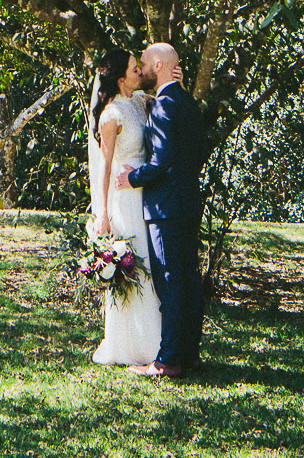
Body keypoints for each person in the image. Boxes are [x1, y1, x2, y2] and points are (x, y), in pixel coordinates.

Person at [116, 41, 208, 378]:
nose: (141, 68)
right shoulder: (185, 101)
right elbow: (197, 153)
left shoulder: (165, 107)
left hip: (166, 208)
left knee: (170, 282)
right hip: (187, 203)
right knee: (188, 282)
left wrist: (132, 178)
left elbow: (161, 160)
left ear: (157, 64)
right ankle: (189, 354)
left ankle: (167, 360)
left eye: (144, 63)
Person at [87, 47, 162, 366]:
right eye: (134, 69)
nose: (139, 73)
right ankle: (130, 345)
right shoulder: (111, 115)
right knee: (135, 266)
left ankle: (155, 342)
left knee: (150, 267)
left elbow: (165, 102)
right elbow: (104, 167)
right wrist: (102, 212)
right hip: (124, 199)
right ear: (120, 79)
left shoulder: (137, 102)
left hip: (145, 193)